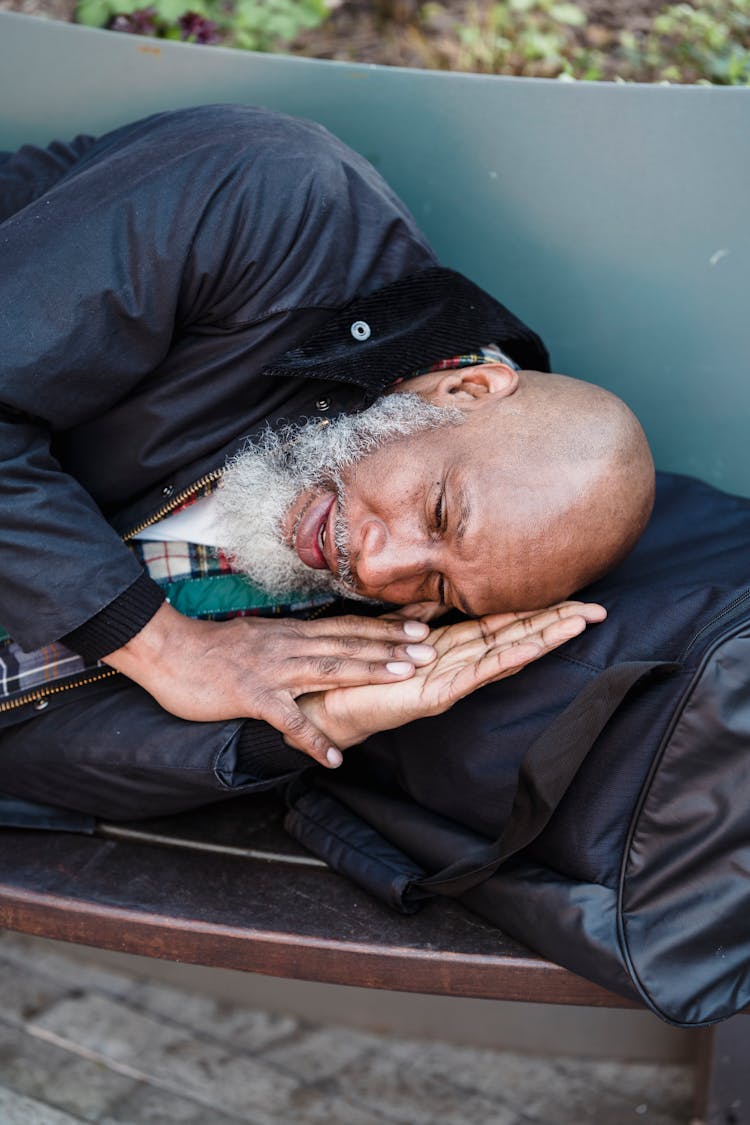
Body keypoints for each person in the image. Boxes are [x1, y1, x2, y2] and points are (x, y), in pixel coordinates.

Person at [0, 105, 654, 821]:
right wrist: (161, 645)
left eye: (439, 586)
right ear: (467, 388)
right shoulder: (280, 203)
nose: (378, 568)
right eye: (438, 513)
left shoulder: (368, 569)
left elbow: (28, 739)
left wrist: (313, 724)